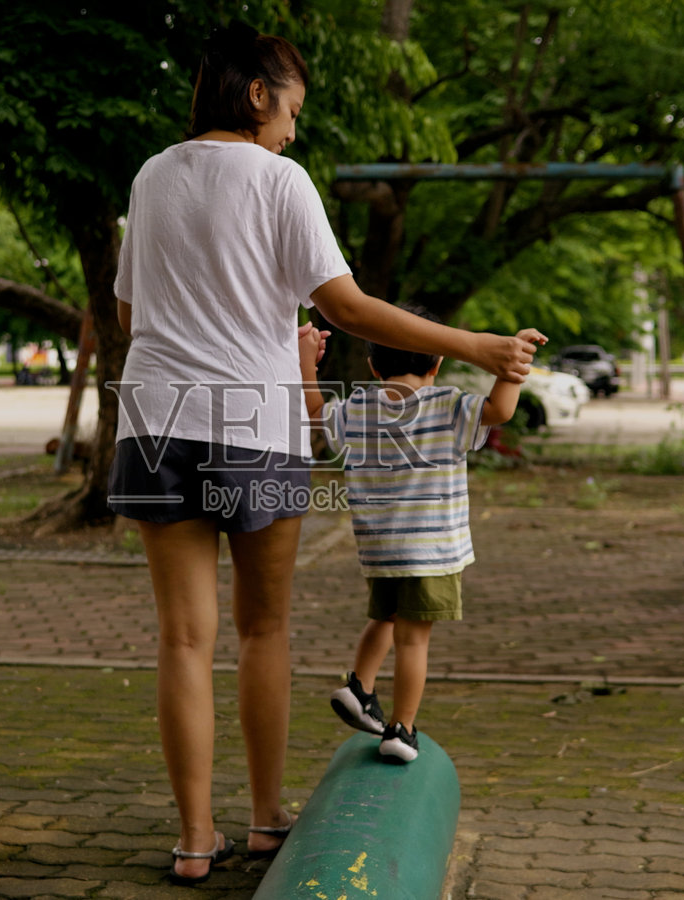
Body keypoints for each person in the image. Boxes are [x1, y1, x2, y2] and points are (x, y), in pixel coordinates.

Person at [108, 21, 538, 885]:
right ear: (259, 93)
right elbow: (344, 307)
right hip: (253, 427)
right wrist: (477, 346)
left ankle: (195, 840)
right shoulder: (279, 179)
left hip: (155, 421)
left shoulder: (153, 176)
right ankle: (265, 821)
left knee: (182, 639)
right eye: (292, 107)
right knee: (262, 628)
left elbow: (130, 315)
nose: (294, 128)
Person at [303, 307, 544, 762]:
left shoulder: (357, 408)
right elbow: (501, 410)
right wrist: (516, 361)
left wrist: (305, 365)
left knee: (385, 618)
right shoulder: (449, 406)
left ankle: (360, 685)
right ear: (438, 362)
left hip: (379, 550)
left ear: (373, 366)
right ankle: (401, 728)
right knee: (414, 640)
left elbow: (315, 414)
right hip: (431, 551)